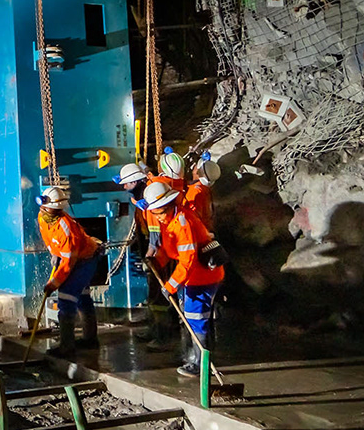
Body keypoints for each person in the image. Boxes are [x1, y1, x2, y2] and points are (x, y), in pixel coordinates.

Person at [153, 171, 227, 378]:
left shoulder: (182, 223)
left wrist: (170, 286)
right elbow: (172, 250)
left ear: (167, 206)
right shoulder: (173, 219)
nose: (157, 217)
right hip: (197, 276)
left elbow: (188, 260)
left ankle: (200, 364)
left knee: (196, 318)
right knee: (198, 318)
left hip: (202, 277)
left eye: (158, 212)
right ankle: (200, 360)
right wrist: (157, 261)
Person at [115, 162, 181, 349]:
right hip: (158, 250)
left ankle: (163, 337)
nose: (124, 187)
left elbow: (155, 230)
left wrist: (150, 252)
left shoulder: (150, 196)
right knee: (155, 295)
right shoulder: (144, 194)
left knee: (159, 296)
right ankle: (155, 330)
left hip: (162, 254)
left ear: (136, 182)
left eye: (126, 183)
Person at [37, 186, 102, 356]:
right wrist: (54, 253)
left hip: (84, 260)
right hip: (73, 258)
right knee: (82, 297)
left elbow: (68, 264)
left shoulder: (66, 229)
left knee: (66, 298)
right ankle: (90, 339)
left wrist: (53, 283)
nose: (43, 209)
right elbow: (47, 237)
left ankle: (67, 346)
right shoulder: (43, 216)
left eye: (47, 207)